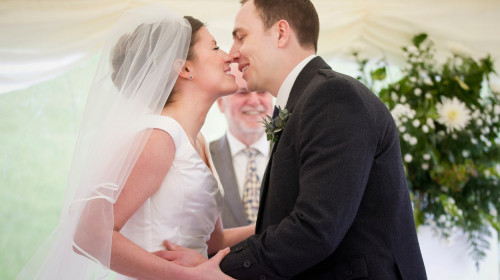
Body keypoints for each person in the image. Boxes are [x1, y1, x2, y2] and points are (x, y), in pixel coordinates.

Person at [15, 6, 253, 280]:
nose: (228, 57)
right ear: (185, 68)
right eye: (215, 47)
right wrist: (188, 276)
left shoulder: (197, 141)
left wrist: (284, 223)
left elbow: (214, 242)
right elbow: (89, 234)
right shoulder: (158, 136)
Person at [213, 0, 428, 279]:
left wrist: (213, 270)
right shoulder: (303, 101)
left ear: (280, 33)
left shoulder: (333, 96)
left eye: (241, 37)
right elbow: (281, 221)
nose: (233, 53)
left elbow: (316, 228)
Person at [210, 63, 273, 228]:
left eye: (261, 91)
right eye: (242, 92)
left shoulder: (296, 154)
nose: (254, 100)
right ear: (220, 103)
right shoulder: (202, 157)